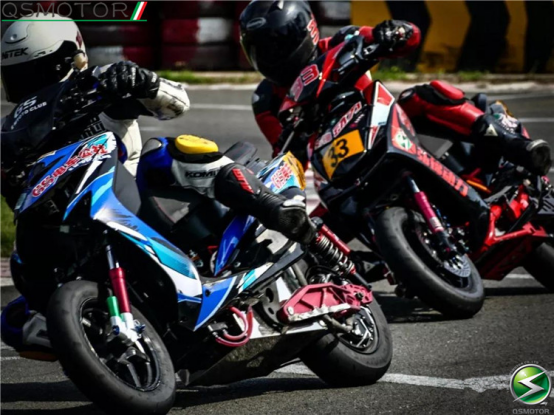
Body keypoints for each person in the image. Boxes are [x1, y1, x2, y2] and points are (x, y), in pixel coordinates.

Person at [1, 14, 316, 356]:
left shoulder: (95, 89)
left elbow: (177, 102)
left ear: (69, 60)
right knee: (15, 320)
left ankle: (272, 206)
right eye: (17, 75)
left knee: (163, 152)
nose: (29, 86)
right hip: (76, 230)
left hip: (141, 199)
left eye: (36, 72)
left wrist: (141, 81)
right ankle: (113, 339)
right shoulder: (13, 134)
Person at [239, 0, 552, 178]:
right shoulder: (265, 99)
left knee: (424, 95)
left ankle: (515, 146)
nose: (268, 57)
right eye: (258, 50)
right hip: (340, 162)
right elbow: (288, 158)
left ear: (303, 31)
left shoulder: (342, 41)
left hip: (387, 123)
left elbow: (409, 37)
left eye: (276, 45)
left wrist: (394, 32)